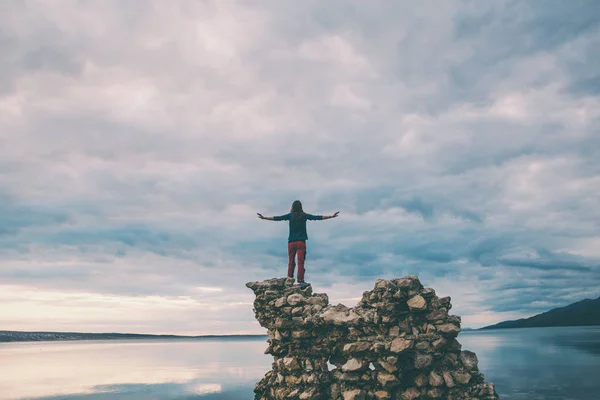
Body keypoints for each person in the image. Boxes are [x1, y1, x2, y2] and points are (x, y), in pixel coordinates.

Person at [257, 200, 339, 287]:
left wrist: (264, 217)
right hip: (301, 242)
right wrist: (331, 216)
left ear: (292, 207)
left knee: (291, 261)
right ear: (301, 207)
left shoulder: (290, 216)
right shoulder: (304, 216)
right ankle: (301, 281)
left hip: (291, 242)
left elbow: (278, 218)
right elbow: (317, 217)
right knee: (301, 262)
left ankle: (289, 279)